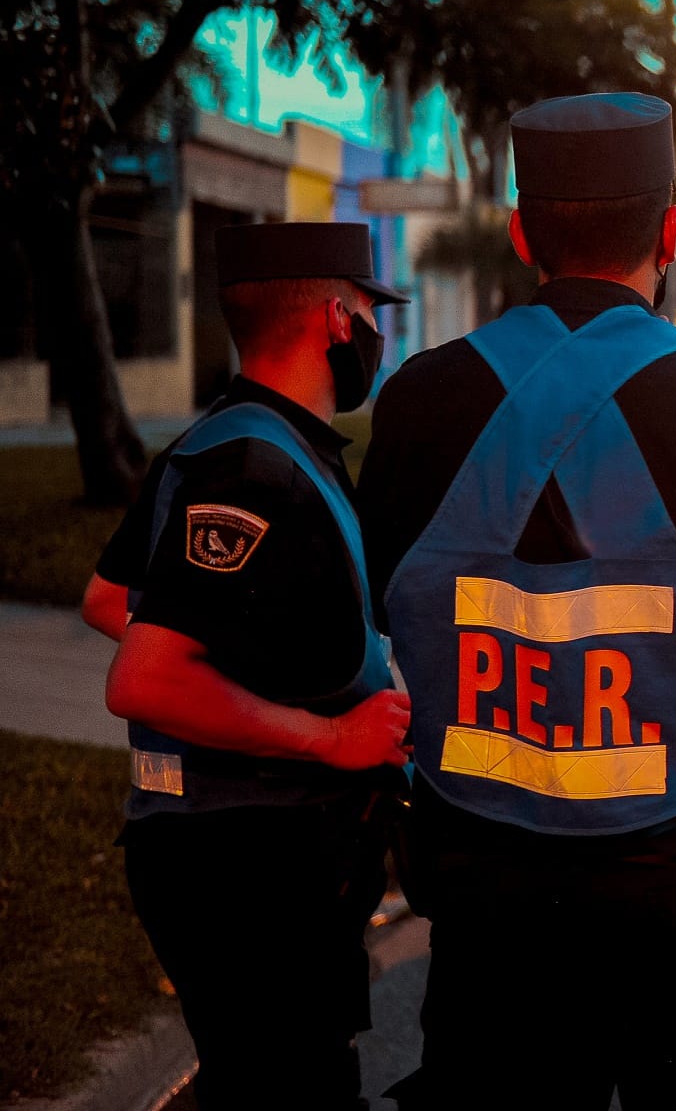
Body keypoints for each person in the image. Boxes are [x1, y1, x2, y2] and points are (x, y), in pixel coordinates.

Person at [358, 91, 676, 1111]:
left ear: (518, 233)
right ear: (669, 232)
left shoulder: (418, 399)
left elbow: (378, 617)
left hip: (487, 875)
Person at [86, 221, 413, 1110]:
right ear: (339, 319)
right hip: (246, 869)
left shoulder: (227, 441)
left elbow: (111, 599)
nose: (376, 337)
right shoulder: (251, 470)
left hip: (238, 860)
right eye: (372, 315)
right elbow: (143, 678)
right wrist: (325, 735)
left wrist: (257, 671)